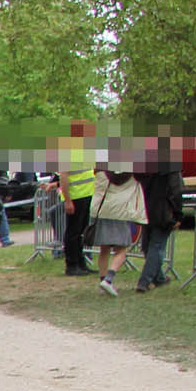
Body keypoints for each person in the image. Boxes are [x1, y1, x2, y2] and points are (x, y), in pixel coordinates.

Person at [87, 166, 146, 297]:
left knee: (104, 249)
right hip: (120, 212)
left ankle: (102, 280)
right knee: (122, 250)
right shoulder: (132, 173)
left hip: (101, 211)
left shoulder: (100, 170)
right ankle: (109, 279)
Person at [136, 151, 183, 292]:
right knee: (156, 246)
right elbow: (177, 190)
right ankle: (144, 282)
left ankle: (159, 278)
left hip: (146, 208)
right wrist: (179, 214)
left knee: (148, 245)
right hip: (163, 210)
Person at [57, 124, 98, 276]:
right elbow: (64, 176)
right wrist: (68, 200)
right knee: (73, 232)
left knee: (81, 232)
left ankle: (81, 263)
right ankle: (72, 264)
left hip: (86, 195)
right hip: (75, 197)